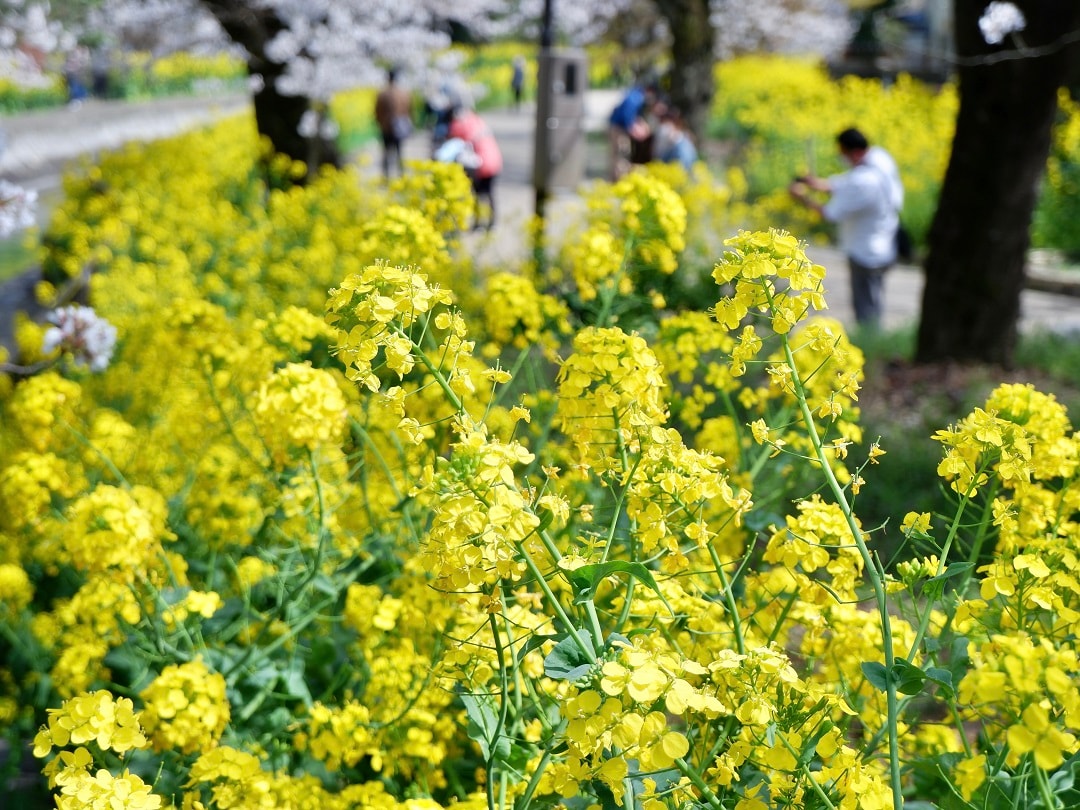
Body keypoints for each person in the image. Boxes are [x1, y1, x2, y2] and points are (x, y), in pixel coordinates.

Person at [789, 127, 904, 327]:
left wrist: (803, 198)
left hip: (866, 253)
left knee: (866, 310)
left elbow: (830, 213)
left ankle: (870, 345)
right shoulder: (879, 157)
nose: (840, 157)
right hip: (886, 241)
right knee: (875, 301)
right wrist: (817, 184)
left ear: (854, 152)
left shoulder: (863, 182)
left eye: (842, 153)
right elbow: (846, 182)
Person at [446, 105, 503, 231]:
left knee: (476, 194)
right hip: (495, 160)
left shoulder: (460, 124)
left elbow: (451, 137)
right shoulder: (478, 121)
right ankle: (492, 222)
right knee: (489, 193)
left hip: (481, 164)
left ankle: (478, 222)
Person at [608, 81, 658, 180]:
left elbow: (633, 116)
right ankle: (619, 180)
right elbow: (627, 116)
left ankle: (617, 178)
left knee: (619, 155)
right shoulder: (636, 98)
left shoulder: (634, 95)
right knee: (622, 154)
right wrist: (634, 130)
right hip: (619, 129)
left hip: (618, 127)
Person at [374, 67, 413, 179]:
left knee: (386, 153)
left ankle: (386, 177)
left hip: (386, 128)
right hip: (400, 127)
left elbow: (377, 111)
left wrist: (381, 122)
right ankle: (402, 175)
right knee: (399, 152)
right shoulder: (404, 93)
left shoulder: (382, 94)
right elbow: (409, 109)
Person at [655, 107, 698, 172]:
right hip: (663, 158)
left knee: (684, 144)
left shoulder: (674, 128)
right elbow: (672, 139)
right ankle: (687, 169)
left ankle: (687, 168)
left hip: (670, 157)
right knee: (682, 145)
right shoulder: (665, 127)